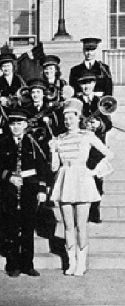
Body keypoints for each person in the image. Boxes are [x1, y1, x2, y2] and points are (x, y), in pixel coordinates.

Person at [49, 98, 114, 276]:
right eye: (65, 118)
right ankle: (71, 262)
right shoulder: (59, 139)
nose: (68, 121)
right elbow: (54, 167)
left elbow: (109, 153)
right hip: (64, 179)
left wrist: (94, 172)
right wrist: (53, 151)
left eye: (71, 118)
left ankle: (82, 263)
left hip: (82, 179)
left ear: (78, 118)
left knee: (81, 226)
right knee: (68, 226)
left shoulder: (87, 136)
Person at [0, 109, 47, 278]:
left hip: (29, 189)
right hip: (9, 189)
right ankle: (13, 264)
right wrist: (9, 177)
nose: (16, 128)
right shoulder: (1, 143)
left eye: (19, 124)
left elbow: (42, 166)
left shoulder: (33, 142)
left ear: (25, 125)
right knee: (11, 227)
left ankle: (28, 264)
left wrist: (42, 189)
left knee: (28, 227)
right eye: (12, 124)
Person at [74, 70, 113, 223]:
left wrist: (99, 124)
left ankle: (95, 211)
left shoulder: (100, 101)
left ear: (94, 84)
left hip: (97, 146)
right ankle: (82, 212)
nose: (86, 86)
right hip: (81, 146)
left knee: (97, 177)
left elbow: (108, 123)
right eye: (83, 83)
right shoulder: (75, 101)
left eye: (89, 83)